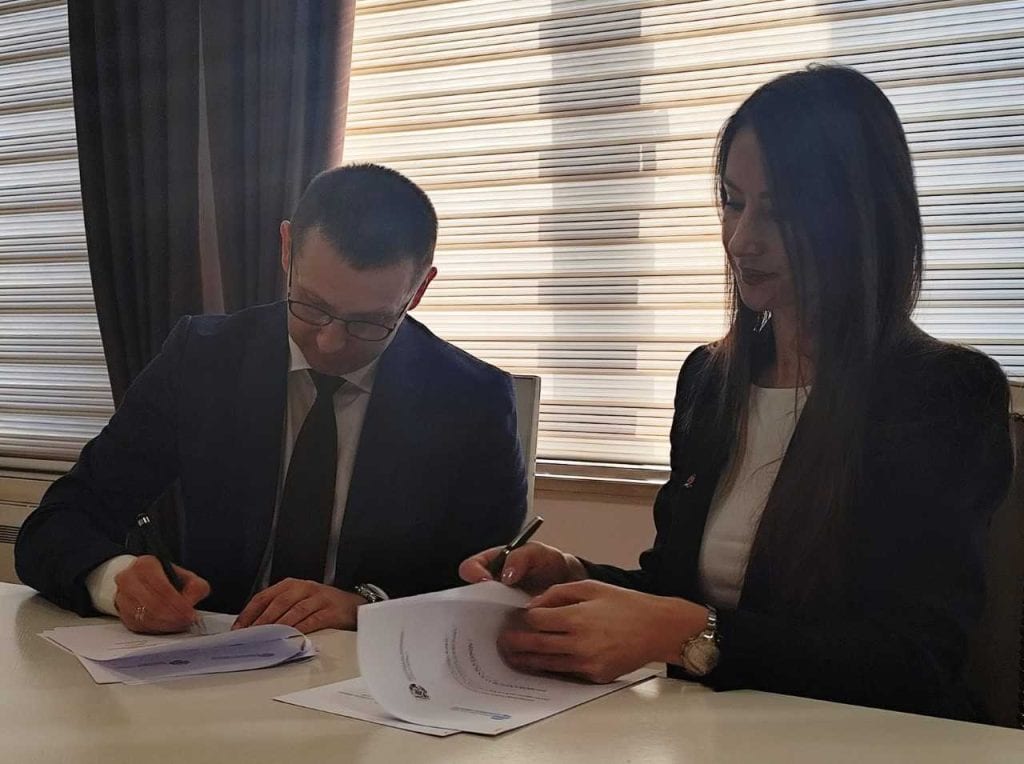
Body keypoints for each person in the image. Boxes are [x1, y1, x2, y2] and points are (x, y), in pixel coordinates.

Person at [461, 65, 1013, 722]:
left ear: (861, 218)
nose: (742, 239)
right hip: (712, 733)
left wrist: (689, 635)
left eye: (780, 211)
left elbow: (915, 660)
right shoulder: (709, 379)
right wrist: (573, 575)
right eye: (732, 201)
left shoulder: (943, 393)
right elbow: (677, 589)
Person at [17, 163, 527, 635]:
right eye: (312, 306)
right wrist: (114, 577)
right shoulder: (202, 360)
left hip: (371, 676)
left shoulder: (472, 401)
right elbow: (59, 522)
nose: (329, 342)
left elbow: (485, 586)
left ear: (418, 291)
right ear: (286, 249)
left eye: (369, 322)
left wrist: (367, 605)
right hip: (207, 655)